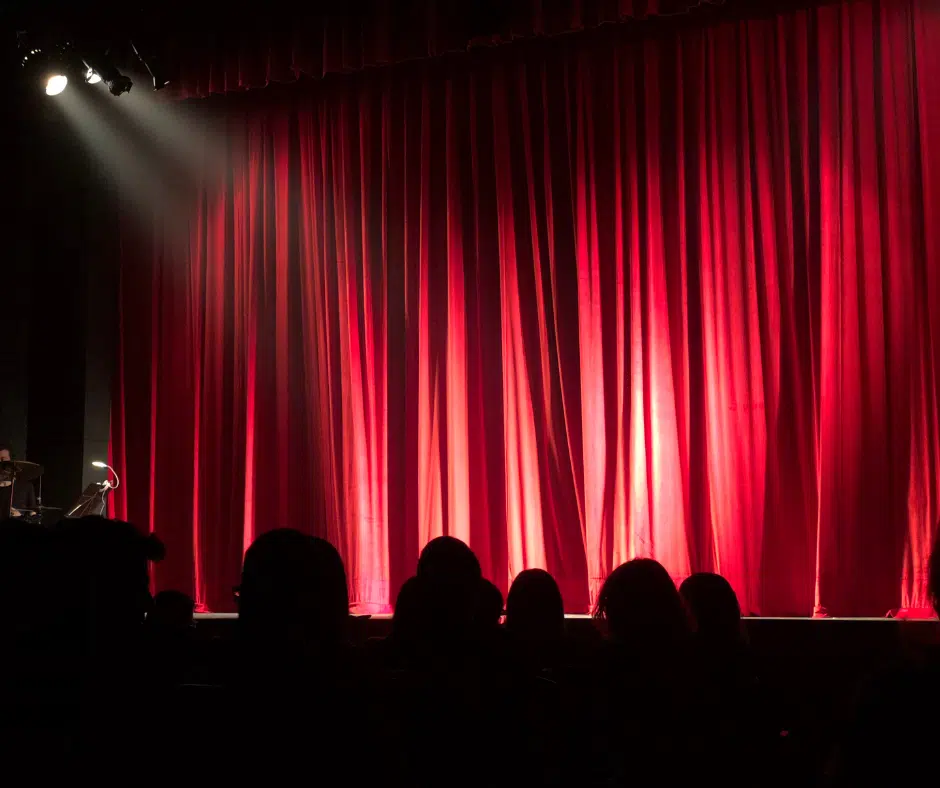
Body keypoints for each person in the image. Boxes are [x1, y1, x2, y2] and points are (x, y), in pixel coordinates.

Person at [0, 442, 37, 517]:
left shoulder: (26, 486)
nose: (0, 463)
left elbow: (33, 514)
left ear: (12, 461)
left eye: (3, 459)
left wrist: (21, 514)